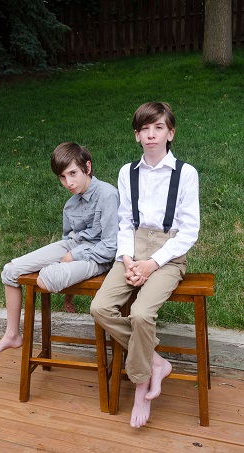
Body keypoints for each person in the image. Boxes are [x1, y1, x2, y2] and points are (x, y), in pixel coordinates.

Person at [90, 102, 200, 428]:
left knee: (140, 313)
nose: (152, 135)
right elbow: (124, 222)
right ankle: (155, 361)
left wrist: (152, 263)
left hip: (168, 254)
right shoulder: (128, 172)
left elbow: (190, 231)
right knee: (100, 308)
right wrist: (126, 259)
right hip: (133, 249)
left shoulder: (186, 173)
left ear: (170, 133)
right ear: (137, 135)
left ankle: (140, 384)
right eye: (145, 129)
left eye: (159, 128)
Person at [0, 142, 119, 360]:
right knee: (9, 271)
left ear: (88, 166)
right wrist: (69, 289)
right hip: (72, 248)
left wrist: (74, 257)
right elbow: (68, 242)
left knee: (48, 278)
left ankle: (57, 273)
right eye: (62, 177)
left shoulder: (108, 195)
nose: (68, 182)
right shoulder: (70, 205)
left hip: (98, 256)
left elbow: (112, 246)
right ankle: (11, 334)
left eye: (73, 173)